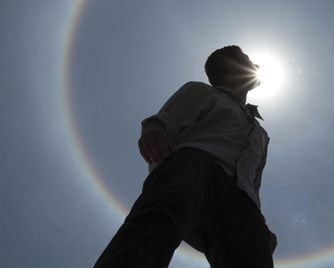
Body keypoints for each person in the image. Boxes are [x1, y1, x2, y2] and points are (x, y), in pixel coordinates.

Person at [94, 45, 277, 268]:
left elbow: (253, 180)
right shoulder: (202, 92)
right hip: (194, 165)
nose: (254, 64)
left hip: (243, 200)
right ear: (230, 62)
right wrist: (153, 128)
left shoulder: (260, 133)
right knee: (151, 230)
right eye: (246, 58)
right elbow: (165, 119)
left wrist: (262, 223)